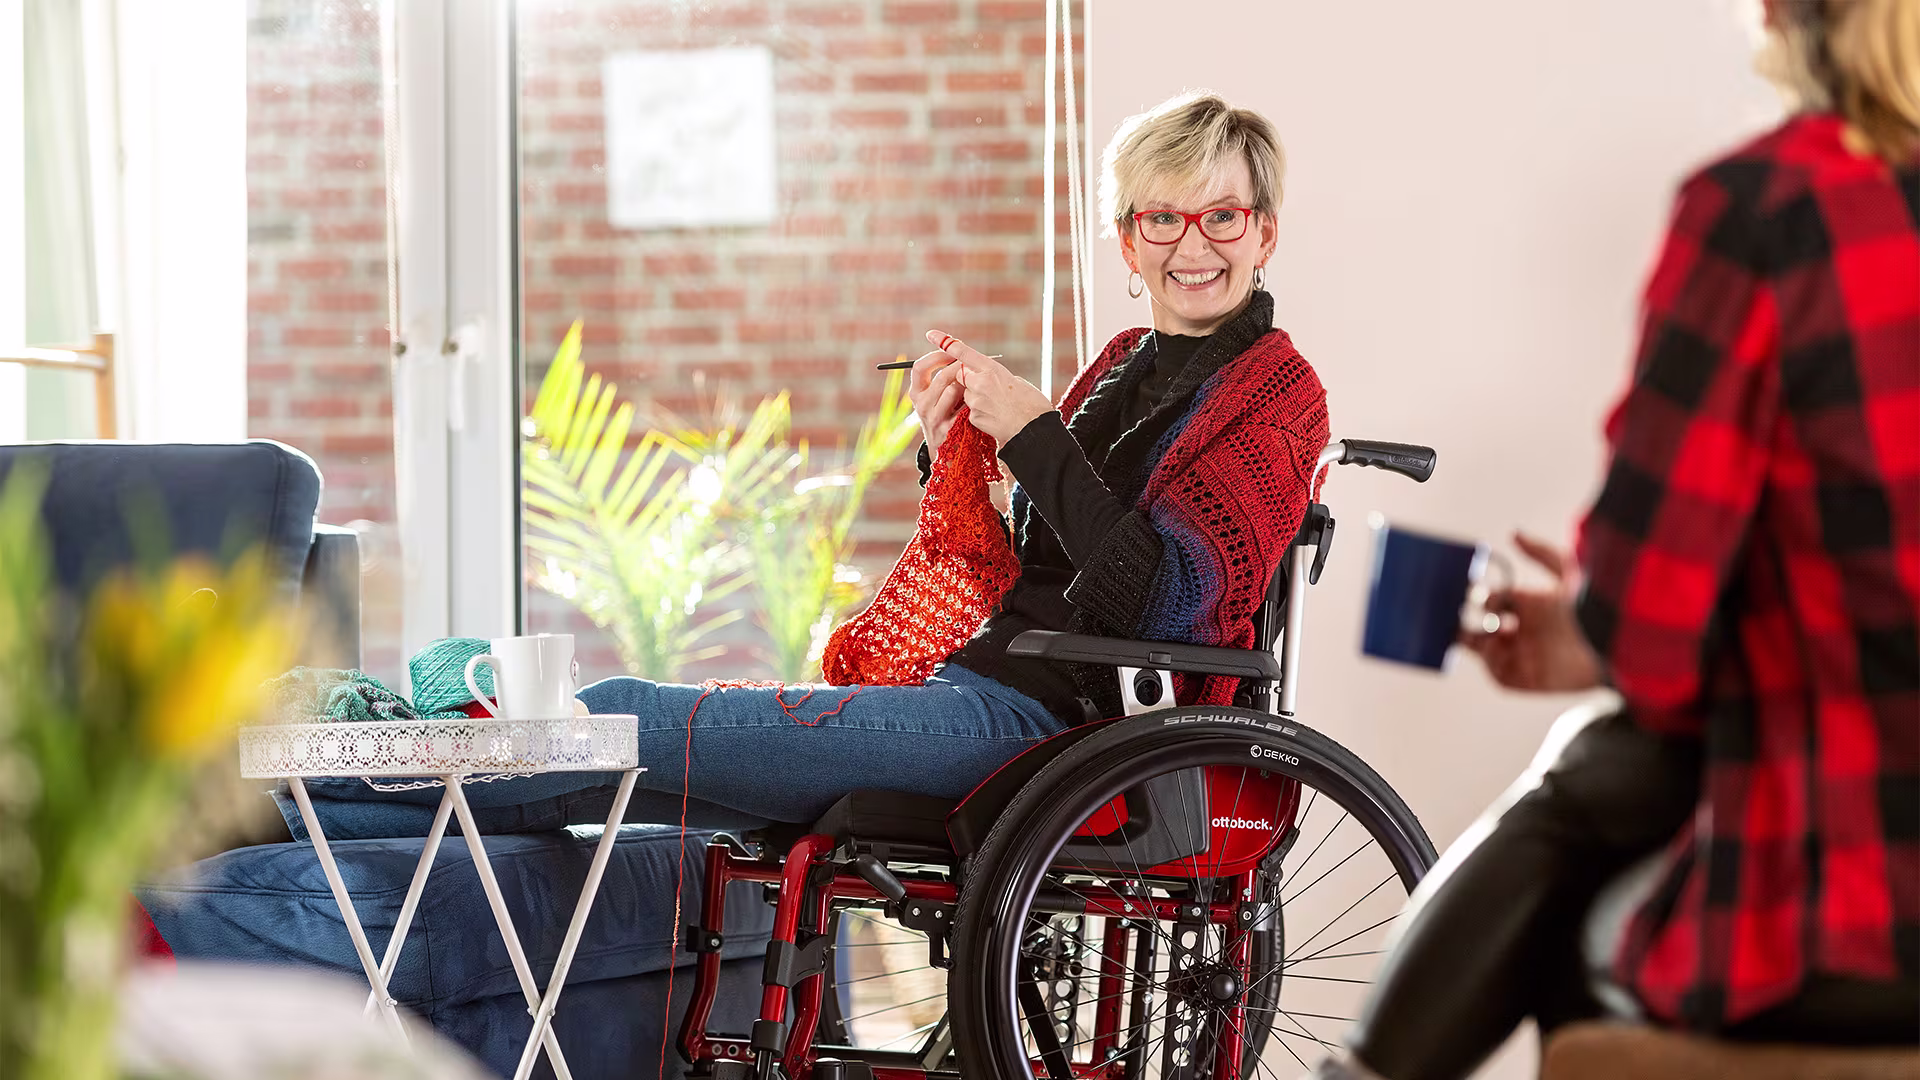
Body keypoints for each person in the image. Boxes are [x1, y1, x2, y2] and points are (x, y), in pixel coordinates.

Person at [1308, 2, 1920, 1076]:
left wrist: (1591, 633)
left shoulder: (1769, 211)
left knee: (1590, 799)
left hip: (1856, 918)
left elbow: (1648, 634)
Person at [566, 91, 1333, 828]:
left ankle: (454, 765)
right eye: (1163, 218)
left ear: (1264, 234)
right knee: (576, 783)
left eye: (1221, 217)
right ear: (1130, 240)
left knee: (617, 719)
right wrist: (951, 460)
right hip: (986, 686)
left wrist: (1035, 437)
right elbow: (1040, 565)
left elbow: (1166, 605)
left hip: (1064, 730)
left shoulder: (1279, 398)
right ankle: (442, 815)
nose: (1192, 244)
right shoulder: (1121, 366)